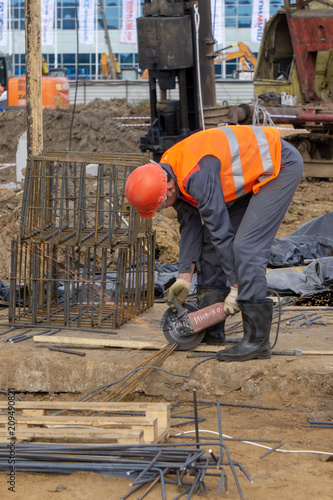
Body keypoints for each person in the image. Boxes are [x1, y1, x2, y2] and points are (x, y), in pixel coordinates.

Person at [125, 126, 304, 361]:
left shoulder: (196, 175)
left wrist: (237, 286)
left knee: (246, 247)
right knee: (209, 248)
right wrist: (184, 276)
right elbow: (190, 225)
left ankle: (257, 341)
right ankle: (211, 328)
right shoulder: (166, 171)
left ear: (168, 188)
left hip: (279, 165)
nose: (162, 209)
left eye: (160, 205)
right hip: (249, 173)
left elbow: (221, 231)